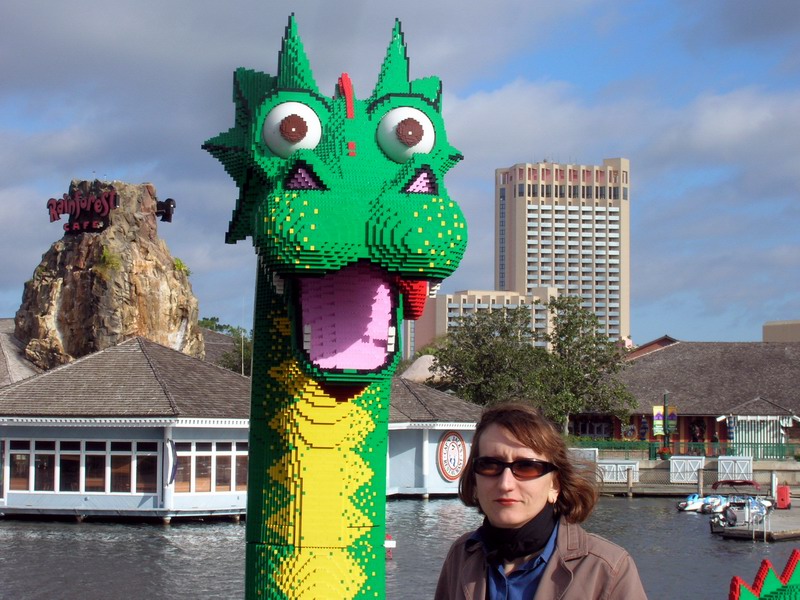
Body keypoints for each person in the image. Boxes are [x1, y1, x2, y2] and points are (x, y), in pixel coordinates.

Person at [435, 402, 647, 599]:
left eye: (526, 467)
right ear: (475, 477)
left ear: (555, 485)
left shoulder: (607, 569)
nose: (505, 483)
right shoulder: (462, 556)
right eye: (490, 465)